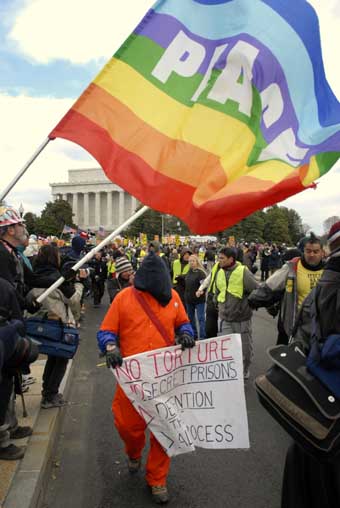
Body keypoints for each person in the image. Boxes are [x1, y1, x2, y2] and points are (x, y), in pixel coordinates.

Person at [97, 252, 195, 505]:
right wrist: (111, 348)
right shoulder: (123, 298)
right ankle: (133, 451)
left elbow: (184, 323)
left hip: (165, 380)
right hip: (132, 381)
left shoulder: (172, 297)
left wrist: (185, 334)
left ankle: (157, 479)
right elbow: (106, 330)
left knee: (165, 430)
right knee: (127, 426)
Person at [280, 222, 340, 508]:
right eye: (310, 250)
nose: (314, 254)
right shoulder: (297, 269)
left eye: (318, 250)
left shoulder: (328, 277)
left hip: (320, 376)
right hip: (312, 349)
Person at [27, 244, 82, 408]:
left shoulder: (33, 277)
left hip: (44, 324)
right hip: (59, 324)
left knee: (52, 357)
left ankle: (48, 392)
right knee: (60, 359)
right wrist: (78, 283)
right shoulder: (57, 279)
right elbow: (73, 299)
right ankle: (50, 395)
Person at [248, 232, 325, 345]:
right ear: (303, 251)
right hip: (293, 327)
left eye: (315, 251)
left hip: (320, 328)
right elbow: (269, 286)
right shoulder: (291, 268)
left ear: (322, 253)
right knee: (286, 360)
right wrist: (252, 300)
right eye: (308, 251)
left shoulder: (330, 271)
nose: (312, 254)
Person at [215, 247, 259, 379]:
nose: (219, 260)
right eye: (219, 257)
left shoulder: (243, 271)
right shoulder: (219, 272)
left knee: (244, 349)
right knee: (226, 348)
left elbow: (256, 289)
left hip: (242, 319)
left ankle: (244, 370)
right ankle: (230, 372)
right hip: (224, 318)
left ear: (231, 259)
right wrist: (216, 302)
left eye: (222, 258)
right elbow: (218, 290)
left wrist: (249, 303)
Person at [184, 255, 206, 339]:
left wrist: (200, 291)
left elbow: (204, 285)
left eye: (193, 261)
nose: (191, 263)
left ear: (197, 262)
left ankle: (203, 337)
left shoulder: (201, 273)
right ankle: (194, 335)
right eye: (190, 261)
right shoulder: (189, 271)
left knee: (201, 318)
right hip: (189, 300)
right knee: (190, 319)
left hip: (199, 300)